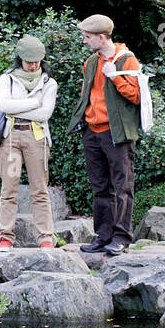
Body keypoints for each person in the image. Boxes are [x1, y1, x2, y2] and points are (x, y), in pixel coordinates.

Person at [68, 14, 143, 256]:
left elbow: (137, 96)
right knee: (100, 187)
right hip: (93, 132)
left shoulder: (127, 60)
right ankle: (103, 236)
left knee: (122, 186)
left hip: (117, 133)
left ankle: (121, 237)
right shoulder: (91, 62)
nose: (84, 41)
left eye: (88, 37)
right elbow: (87, 95)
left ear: (102, 37)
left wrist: (115, 76)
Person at [0, 35, 59, 250]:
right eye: (29, 61)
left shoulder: (49, 82)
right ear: (20, 59)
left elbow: (45, 114)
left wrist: (18, 107)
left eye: (37, 61)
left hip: (37, 138)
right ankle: (5, 237)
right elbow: (4, 106)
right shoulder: (7, 78)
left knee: (40, 189)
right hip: (10, 137)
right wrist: (33, 103)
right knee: (9, 188)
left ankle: (45, 237)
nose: (33, 66)